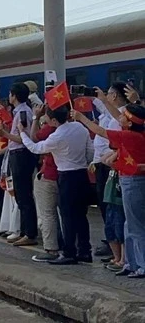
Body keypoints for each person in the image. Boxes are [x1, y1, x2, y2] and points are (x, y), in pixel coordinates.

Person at [72, 102, 145, 278]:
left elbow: (101, 132)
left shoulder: (130, 136)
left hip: (133, 182)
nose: (118, 116)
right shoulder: (134, 134)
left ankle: (141, 265)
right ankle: (131, 263)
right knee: (129, 225)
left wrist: (82, 118)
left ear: (128, 122)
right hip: (128, 180)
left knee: (136, 226)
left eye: (123, 115)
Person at [20, 104, 93, 264]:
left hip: (66, 175)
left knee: (67, 216)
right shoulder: (80, 128)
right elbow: (90, 150)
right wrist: (84, 162)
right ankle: (85, 250)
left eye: (47, 116)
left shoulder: (57, 135)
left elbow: (35, 148)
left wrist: (22, 133)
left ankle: (69, 252)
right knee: (81, 215)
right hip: (82, 174)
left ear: (53, 120)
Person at [0, 83, 38, 246]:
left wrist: (4, 134)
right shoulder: (20, 111)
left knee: (24, 194)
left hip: (21, 155)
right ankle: (24, 230)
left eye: (10, 94)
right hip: (18, 155)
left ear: (14, 96)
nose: (9, 96)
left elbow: (24, 139)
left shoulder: (22, 112)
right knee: (21, 195)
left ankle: (30, 233)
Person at [92, 82, 128, 258]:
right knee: (108, 207)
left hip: (113, 166)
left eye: (109, 94)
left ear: (114, 96)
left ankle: (122, 255)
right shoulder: (113, 115)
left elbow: (107, 136)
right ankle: (116, 251)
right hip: (104, 163)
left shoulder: (125, 116)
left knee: (116, 211)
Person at [26, 104, 61, 262]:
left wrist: (35, 118)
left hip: (48, 174)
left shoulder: (50, 130)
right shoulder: (75, 127)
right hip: (65, 175)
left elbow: (34, 139)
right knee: (65, 214)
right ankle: (67, 245)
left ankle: (50, 249)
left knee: (47, 214)